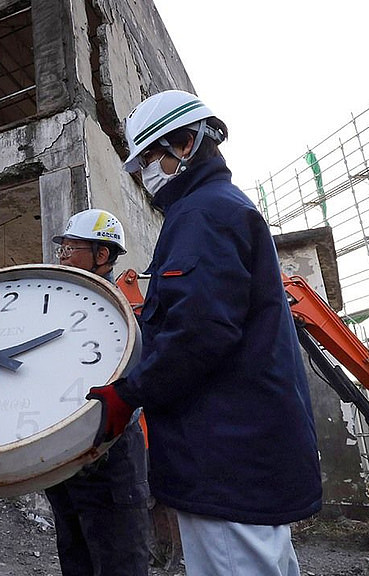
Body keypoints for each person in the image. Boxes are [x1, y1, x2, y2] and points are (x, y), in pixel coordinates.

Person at [85, 90, 322, 575]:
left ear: (187, 143)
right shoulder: (218, 209)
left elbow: (199, 331)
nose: (144, 173)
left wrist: (126, 394)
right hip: (242, 454)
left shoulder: (203, 215)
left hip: (225, 460)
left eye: (150, 156)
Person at [46, 209, 151, 576]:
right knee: (75, 558)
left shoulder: (122, 316)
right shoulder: (62, 305)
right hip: (65, 455)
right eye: (63, 248)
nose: (62, 255)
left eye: (71, 248)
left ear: (101, 255)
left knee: (118, 559)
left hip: (110, 457)